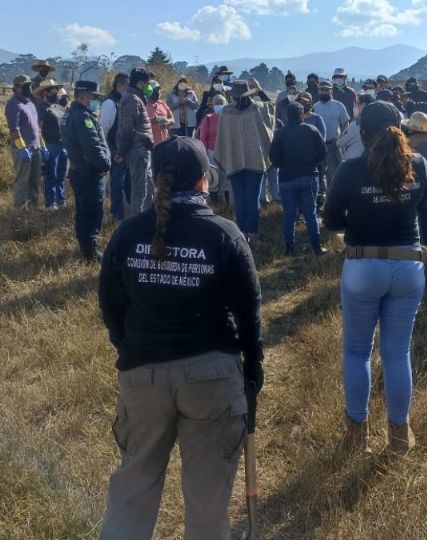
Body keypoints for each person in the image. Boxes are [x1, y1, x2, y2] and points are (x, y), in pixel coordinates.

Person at [98, 136, 263, 540]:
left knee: (132, 492)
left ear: (154, 180)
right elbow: (249, 315)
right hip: (212, 379)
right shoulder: (225, 235)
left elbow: (111, 306)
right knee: (208, 503)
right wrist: (253, 371)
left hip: (143, 378)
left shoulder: (126, 234)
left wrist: (133, 350)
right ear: (205, 181)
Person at [322, 101, 427, 456]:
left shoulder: (351, 168)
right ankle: (400, 438)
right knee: (397, 352)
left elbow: (330, 221)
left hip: (363, 265)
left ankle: (356, 435)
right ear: (401, 128)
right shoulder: (419, 164)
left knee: (357, 352)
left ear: (363, 131)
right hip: (408, 266)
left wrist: (356, 221)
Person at [214, 80, 276, 247]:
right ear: (250, 94)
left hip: (234, 160)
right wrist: (260, 89)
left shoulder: (226, 112)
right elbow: (271, 107)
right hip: (255, 160)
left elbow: (221, 140)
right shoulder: (257, 108)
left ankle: (242, 236)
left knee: (240, 199)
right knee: (252, 198)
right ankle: (253, 236)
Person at [269, 102, 328, 256]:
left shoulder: (280, 134)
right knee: (310, 212)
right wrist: (312, 161)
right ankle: (316, 247)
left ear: (287, 116)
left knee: (289, 214)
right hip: (308, 175)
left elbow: (273, 158)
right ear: (303, 115)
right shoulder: (312, 130)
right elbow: (323, 152)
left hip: (287, 178)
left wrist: (283, 164)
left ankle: (289, 248)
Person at [61, 81, 111, 262]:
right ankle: (90, 252)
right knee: (91, 211)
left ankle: (85, 248)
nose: (95, 100)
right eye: (93, 96)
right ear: (82, 95)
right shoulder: (82, 118)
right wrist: (105, 166)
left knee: (83, 211)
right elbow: (92, 147)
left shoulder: (70, 114)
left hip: (78, 170)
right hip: (89, 172)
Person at [116, 67, 155, 217]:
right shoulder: (131, 99)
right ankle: (136, 224)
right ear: (140, 83)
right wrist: (121, 153)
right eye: (147, 83)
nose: (149, 86)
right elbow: (127, 130)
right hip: (137, 150)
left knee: (147, 189)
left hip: (142, 150)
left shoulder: (137, 98)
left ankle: (145, 219)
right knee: (140, 191)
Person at [4, 74, 45, 209]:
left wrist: (42, 145)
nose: (28, 88)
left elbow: (37, 128)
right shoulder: (13, 104)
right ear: (15, 88)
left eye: (29, 86)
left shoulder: (30, 104)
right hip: (23, 150)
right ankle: (20, 209)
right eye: (25, 86)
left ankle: (33, 207)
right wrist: (22, 148)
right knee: (23, 180)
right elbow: (14, 129)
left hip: (35, 148)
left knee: (34, 180)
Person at [403, 111, 427, 249]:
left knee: (417, 221)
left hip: (416, 186)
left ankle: (420, 254)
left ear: (410, 127)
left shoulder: (408, 143)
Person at [34, 79, 68, 209]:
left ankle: (61, 199)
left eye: (56, 92)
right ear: (44, 93)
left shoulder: (57, 107)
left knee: (60, 174)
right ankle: (50, 203)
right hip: (50, 144)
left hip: (62, 144)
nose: (55, 94)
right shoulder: (41, 108)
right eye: (52, 92)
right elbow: (38, 128)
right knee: (51, 175)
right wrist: (41, 146)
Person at [101, 72, 131, 220]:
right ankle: (116, 215)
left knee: (126, 182)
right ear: (120, 85)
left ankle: (126, 212)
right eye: (127, 85)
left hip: (124, 150)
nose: (128, 88)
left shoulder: (122, 100)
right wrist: (108, 152)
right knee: (117, 184)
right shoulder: (110, 103)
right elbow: (104, 129)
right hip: (114, 150)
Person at [313, 80, 351, 185]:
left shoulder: (338, 105)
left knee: (337, 172)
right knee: (321, 172)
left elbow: (345, 124)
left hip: (335, 145)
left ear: (331, 91)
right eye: (322, 89)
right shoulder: (315, 107)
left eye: (326, 90)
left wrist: (339, 139)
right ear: (318, 91)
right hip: (320, 145)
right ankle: (322, 194)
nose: (324, 92)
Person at [337, 93, 373, 161]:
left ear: (364, 104)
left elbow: (340, 142)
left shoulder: (357, 124)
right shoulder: (378, 122)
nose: (356, 106)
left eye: (358, 104)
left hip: (354, 162)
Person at [147, 81, 174, 147]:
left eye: (158, 90)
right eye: (155, 90)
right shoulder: (143, 105)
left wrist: (167, 121)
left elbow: (172, 119)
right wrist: (155, 120)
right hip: (150, 145)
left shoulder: (162, 104)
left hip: (165, 143)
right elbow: (140, 124)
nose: (158, 92)